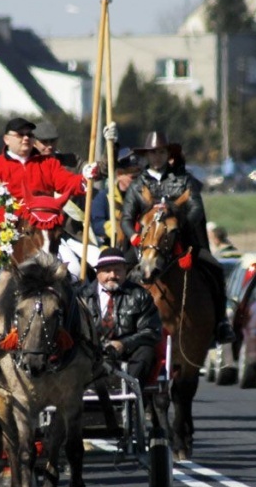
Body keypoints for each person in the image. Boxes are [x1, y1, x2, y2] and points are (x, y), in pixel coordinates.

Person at [120, 130, 234, 345]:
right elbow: (126, 218)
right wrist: (134, 236)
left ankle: (220, 322)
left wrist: (178, 225)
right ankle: (119, 322)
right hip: (145, 243)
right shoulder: (138, 185)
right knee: (119, 270)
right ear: (147, 155)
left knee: (215, 268)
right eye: (153, 153)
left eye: (161, 152)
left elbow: (196, 210)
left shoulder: (184, 181)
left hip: (181, 241)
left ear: (168, 154)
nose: (157, 157)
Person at [77, 247, 161, 388]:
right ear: (98, 272)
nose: (112, 275)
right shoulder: (81, 296)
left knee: (147, 351)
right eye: (107, 270)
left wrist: (124, 344)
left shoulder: (140, 295)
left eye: (118, 270)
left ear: (125, 271)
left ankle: (130, 392)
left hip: (128, 353)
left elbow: (151, 331)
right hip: (90, 353)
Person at [0, 117, 95, 209]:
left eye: (29, 135)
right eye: (20, 134)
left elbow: (67, 181)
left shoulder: (48, 163)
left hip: (43, 226)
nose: (26, 138)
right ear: (6, 139)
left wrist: (85, 177)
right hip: (8, 230)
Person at [91, 148, 140, 249]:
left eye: (138, 177)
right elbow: (96, 224)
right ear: (119, 175)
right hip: (110, 246)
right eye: (132, 178)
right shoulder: (104, 197)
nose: (137, 182)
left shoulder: (141, 197)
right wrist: (115, 228)